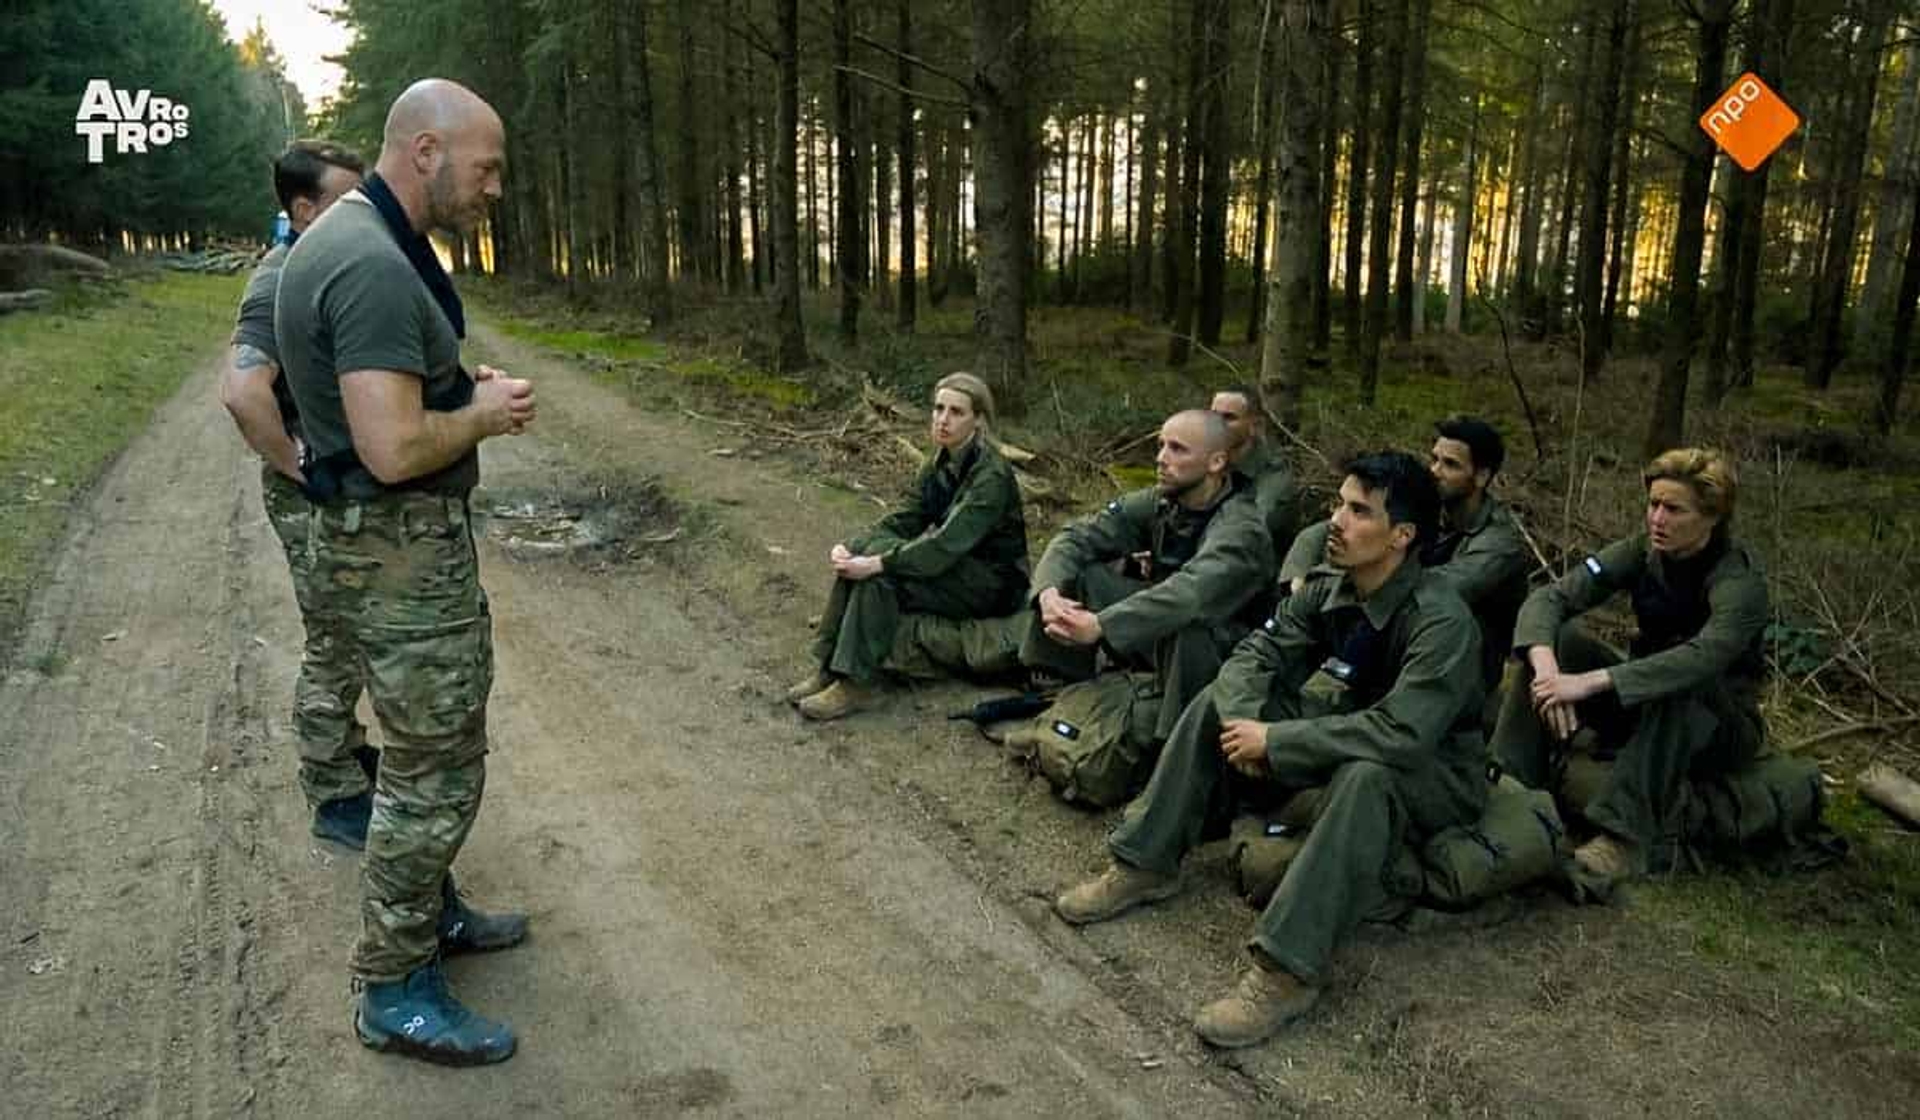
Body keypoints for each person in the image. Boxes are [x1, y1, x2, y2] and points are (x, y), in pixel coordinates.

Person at [1054, 452, 1486, 1049]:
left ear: (1402, 536)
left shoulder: (1442, 620)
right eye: (1339, 503)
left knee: (1368, 776)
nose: (1336, 520)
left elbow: (1402, 734)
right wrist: (1242, 722)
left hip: (1433, 772)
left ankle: (1286, 972)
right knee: (1212, 703)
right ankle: (1144, 863)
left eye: (1358, 512)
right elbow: (1257, 653)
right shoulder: (1334, 584)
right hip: (1343, 730)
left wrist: (1279, 742)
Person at [275, 78, 533, 1066]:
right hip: (399, 559)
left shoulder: (346, 239)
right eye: (486, 166)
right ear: (426, 151)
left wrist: (463, 393)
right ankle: (395, 984)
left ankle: (434, 916)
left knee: (426, 762)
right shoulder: (374, 261)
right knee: (435, 775)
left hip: (379, 553)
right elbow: (389, 445)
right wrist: (486, 413)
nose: (494, 186)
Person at [1489, 448, 1768, 889]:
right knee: (1561, 641)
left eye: (1674, 509)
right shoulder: (1643, 551)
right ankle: (1509, 781)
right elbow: (1551, 598)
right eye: (1653, 504)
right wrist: (1548, 674)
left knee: (1680, 680)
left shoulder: (1738, 582)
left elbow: (1704, 656)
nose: (1657, 518)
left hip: (1717, 723)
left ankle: (1624, 839)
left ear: (1711, 518)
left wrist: (1586, 683)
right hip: (1642, 701)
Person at [221, 139, 376, 848]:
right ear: (303, 208)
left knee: (351, 631)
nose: (362, 212)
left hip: (335, 485)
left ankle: (344, 749)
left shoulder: (329, 266)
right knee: (336, 641)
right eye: (345, 200)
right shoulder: (281, 277)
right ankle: (335, 792)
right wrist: (299, 465)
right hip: (308, 491)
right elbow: (244, 392)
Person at [1020, 409, 1275, 744]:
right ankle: (1054, 681)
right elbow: (1077, 537)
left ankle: (1171, 743)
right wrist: (1048, 594)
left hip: (1225, 653)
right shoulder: (1165, 500)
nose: (1160, 458)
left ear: (1216, 463)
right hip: (1158, 627)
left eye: (1178, 449)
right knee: (1086, 574)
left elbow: (1191, 594)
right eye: (1161, 445)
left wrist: (1102, 625)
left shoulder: (1241, 529)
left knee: (1187, 629)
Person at [788, 372, 1030, 720]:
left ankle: (857, 684)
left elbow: (944, 545)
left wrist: (878, 563)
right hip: (957, 566)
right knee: (863, 551)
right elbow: (907, 516)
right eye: (938, 408)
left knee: (882, 577)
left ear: (978, 421)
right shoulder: (942, 459)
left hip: (992, 584)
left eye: (956, 412)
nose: (943, 419)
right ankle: (829, 665)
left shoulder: (990, 476)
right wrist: (852, 547)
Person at [1282, 415, 1529, 692]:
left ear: (1481, 477)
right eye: (1434, 458)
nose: (1435, 470)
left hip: (1459, 654)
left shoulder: (1500, 543)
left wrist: (1329, 575)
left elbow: (1433, 587)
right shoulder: (1435, 504)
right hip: (1394, 625)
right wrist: (1299, 577)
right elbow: (1318, 533)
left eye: (1450, 465)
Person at [1209, 385, 1302, 552]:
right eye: (1213, 416)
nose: (1217, 424)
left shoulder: (1276, 475)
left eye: (1229, 417)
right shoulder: (1207, 462)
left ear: (1256, 426)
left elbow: (1249, 533)